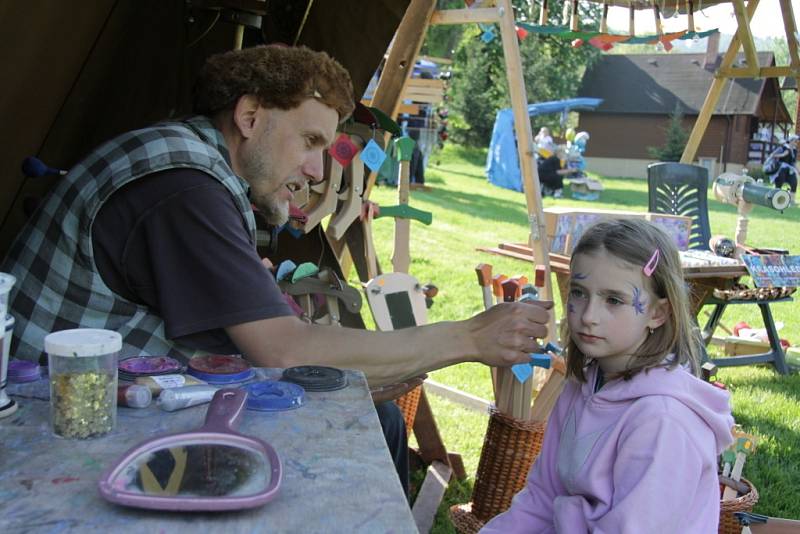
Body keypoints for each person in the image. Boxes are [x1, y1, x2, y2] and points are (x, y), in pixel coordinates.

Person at [2, 45, 552, 493]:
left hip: (99, 405)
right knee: (362, 435)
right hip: (47, 433)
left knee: (375, 417)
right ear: (249, 116)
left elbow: (238, 341)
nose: (316, 171)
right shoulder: (186, 189)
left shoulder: (190, 166)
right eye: (310, 141)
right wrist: (470, 336)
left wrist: (343, 374)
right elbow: (282, 348)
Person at [481, 219, 734, 533]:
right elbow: (543, 496)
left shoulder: (663, 422)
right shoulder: (582, 385)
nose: (589, 316)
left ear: (657, 313)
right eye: (579, 293)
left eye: (613, 300)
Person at [765, 134, 798, 203]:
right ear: (791, 141)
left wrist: (798, 170)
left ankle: (791, 200)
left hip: (790, 169)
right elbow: (775, 155)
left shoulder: (794, 151)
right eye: (795, 141)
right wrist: (777, 155)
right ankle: (775, 198)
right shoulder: (783, 148)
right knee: (779, 182)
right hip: (780, 168)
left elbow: (794, 162)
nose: (796, 143)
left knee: (794, 182)